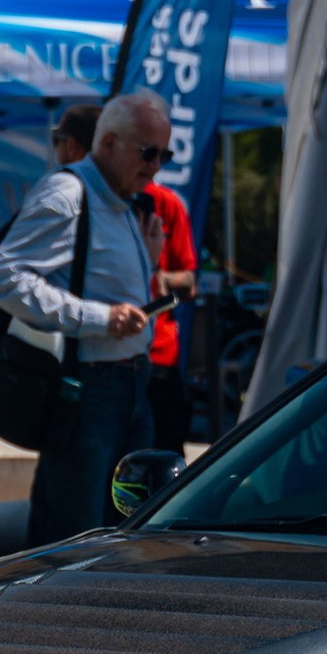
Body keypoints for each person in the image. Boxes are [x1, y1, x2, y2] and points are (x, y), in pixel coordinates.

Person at [0, 90, 172, 545]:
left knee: (123, 530)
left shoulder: (121, 199)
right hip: (88, 388)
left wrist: (145, 264)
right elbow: (3, 277)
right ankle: (59, 615)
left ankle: (105, 612)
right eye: (148, 152)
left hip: (128, 385)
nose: (156, 165)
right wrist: (100, 318)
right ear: (107, 143)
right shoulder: (69, 191)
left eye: (164, 154)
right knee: (77, 536)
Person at [142, 170, 198, 453]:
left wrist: (163, 279)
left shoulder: (167, 202)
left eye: (159, 156)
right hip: (103, 356)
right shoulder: (91, 199)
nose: (152, 163)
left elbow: (190, 282)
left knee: (164, 452)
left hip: (159, 358)